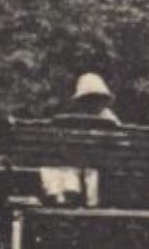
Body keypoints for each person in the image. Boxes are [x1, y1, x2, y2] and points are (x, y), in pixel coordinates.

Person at [41, 72, 120, 206]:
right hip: (103, 165)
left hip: (90, 164)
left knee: (60, 163)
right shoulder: (111, 120)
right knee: (72, 164)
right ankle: (72, 194)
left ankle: (63, 194)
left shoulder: (74, 120)